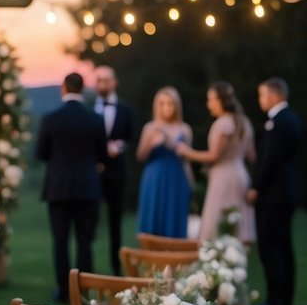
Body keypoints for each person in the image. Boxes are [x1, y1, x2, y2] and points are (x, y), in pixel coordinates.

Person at [36, 72, 106, 302]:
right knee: (85, 241)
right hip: (87, 187)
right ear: (83, 89)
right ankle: (84, 291)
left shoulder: (50, 119)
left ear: (63, 88)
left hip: (58, 187)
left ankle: (64, 290)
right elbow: (102, 154)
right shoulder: (95, 119)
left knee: (60, 241)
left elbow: (41, 153)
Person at [247, 77, 303, 305]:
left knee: (273, 247)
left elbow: (270, 161)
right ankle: (283, 299)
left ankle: (276, 300)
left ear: (272, 96)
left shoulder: (278, 122)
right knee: (283, 246)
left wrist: (256, 187)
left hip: (274, 195)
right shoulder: (291, 119)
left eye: (261, 95)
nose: (260, 100)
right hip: (285, 194)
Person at [176, 81, 256, 242]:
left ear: (221, 101)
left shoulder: (223, 123)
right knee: (234, 221)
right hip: (241, 174)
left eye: (211, 99)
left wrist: (187, 152)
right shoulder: (244, 122)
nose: (209, 104)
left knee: (217, 222)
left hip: (224, 177)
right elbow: (252, 156)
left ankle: (220, 260)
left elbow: (214, 156)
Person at [93, 65, 136, 275]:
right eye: (98, 80)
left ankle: (116, 268)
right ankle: (85, 270)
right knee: (89, 223)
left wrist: (120, 146)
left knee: (115, 221)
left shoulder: (126, 110)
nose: (101, 83)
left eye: (105, 80)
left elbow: (131, 137)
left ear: (114, 82)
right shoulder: (89, 109)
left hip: (117, 173)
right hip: (93, 173)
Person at [136, 87, 193, 238]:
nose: (166, 107)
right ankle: (152, 257)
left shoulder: (185, 129)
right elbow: (140, 156)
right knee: (154, 216)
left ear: (176, 105)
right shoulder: (150, 128)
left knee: (174, 216)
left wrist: (190, 185)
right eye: (162, 104)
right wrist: (151, 144)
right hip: (155, 178)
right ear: (157, 106)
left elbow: (187, 161)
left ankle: (174, 258)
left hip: (176, 177)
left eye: (170, 103)